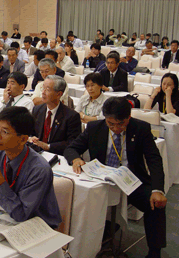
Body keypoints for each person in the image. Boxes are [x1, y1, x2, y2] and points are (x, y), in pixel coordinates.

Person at [64, 97, 167, 258]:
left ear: (129, 117)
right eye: (111, 124)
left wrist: (157, 189)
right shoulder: (94, 127)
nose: (116, 128)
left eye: (121, 124)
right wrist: (76, 158)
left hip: (130, 180)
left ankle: (155, 251)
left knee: (155, 204)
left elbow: (154, 159)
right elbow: (72, 148)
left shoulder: (140, 128)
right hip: (101, 179)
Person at [0, 106, 61, 227]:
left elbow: (21, 215)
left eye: (5, 132)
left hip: (38, 226)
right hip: (7, 217)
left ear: (23, 139)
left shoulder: (39, 169)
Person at [29, 75, 81, 155]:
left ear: (59, 94)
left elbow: (72, 143)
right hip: (36, 153)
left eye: (48, 89)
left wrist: (48, 146)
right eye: (43, 88)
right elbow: (30, 131)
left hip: (57, 155)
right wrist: (31, 138)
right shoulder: (37, 110)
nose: (43, 92)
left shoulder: (72, 116)